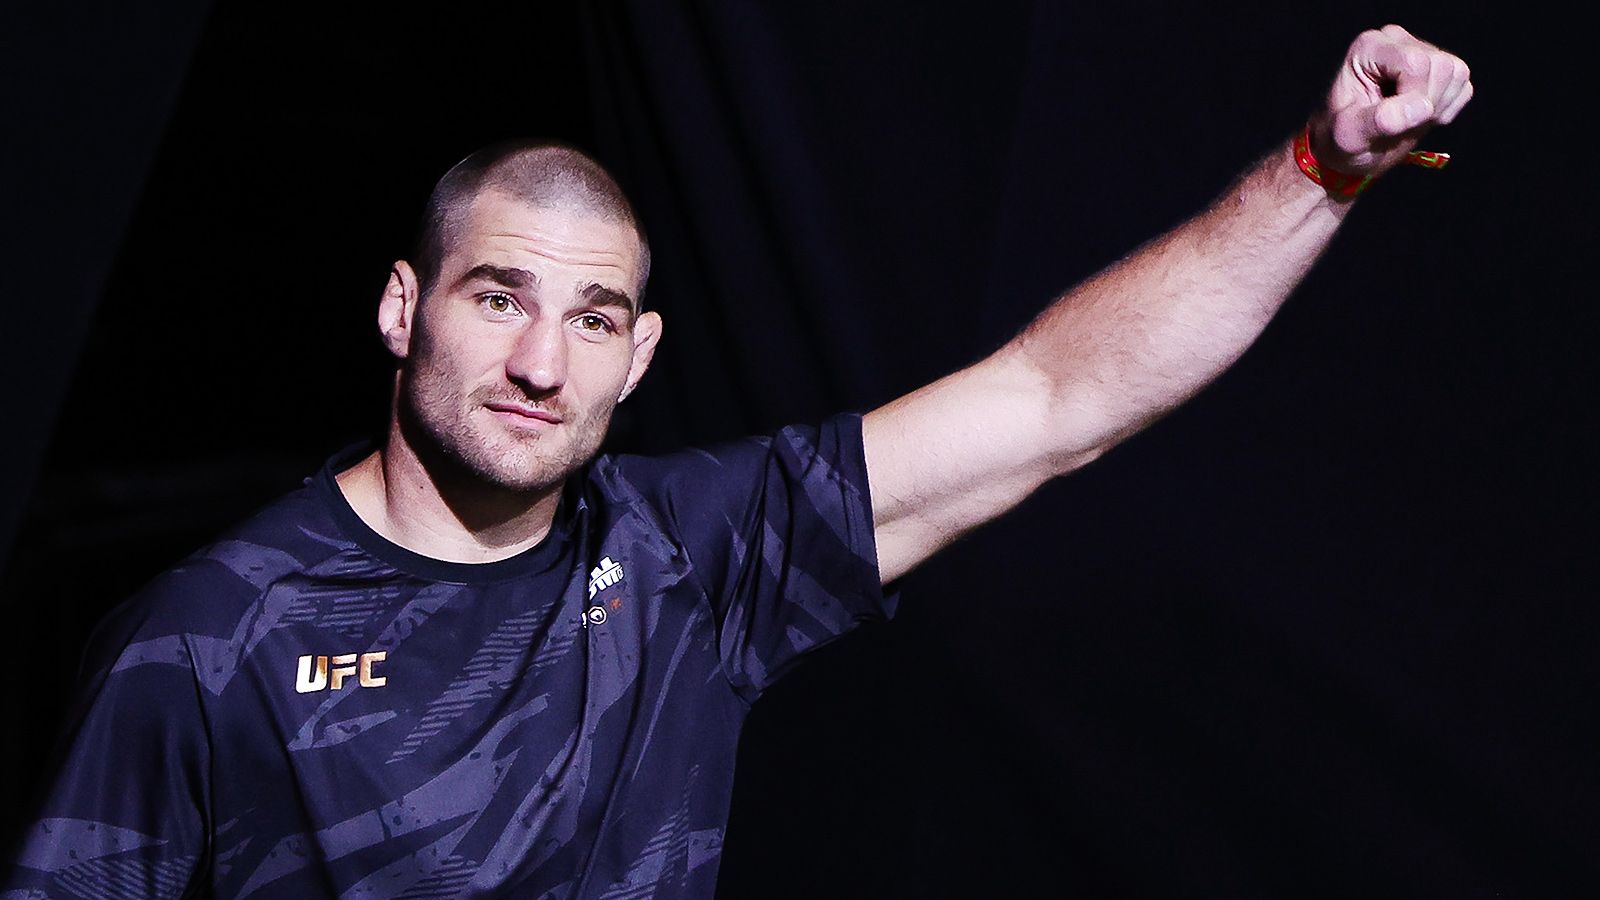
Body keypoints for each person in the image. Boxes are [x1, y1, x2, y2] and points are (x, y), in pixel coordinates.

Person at [3, 23, 1470, 899]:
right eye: (498, 297)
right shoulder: (208, 639)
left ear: (638, 356)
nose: (542, 363)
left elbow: (1055, 393)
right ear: (403, 308)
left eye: (592, 318)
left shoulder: (689, 556)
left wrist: (1323, 168)